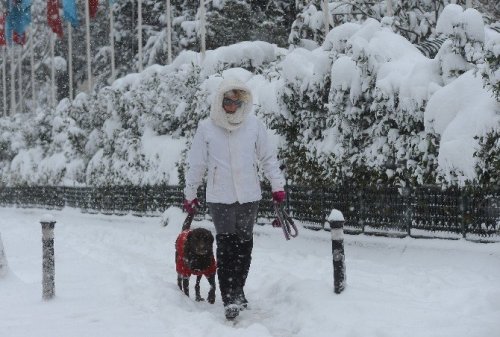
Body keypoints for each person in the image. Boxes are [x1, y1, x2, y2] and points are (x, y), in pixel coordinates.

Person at [183, 78, 286, 320]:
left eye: (236, 101)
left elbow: (268, 157)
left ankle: (239, 289)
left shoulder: (254, 125)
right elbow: (196, 164)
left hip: (249, 196)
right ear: (220, 100)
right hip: (220, 197)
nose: (231, 105)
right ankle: (229, 297)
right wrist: (190, 193)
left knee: (245, 246)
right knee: (227, 245)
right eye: (227, 100)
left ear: (243, 102)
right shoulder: (207, 127)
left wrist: (277, 186)